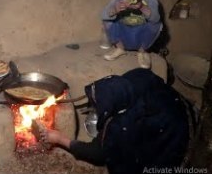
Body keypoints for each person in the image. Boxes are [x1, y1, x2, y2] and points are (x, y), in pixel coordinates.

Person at [39, 68, 193, 174]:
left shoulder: (121, 127)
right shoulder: (136, 78)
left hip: (174, 136)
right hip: (179, 109)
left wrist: (59, 138)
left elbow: (97, 153)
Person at [101, 0, 162, 69]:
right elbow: (103, 15)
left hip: (141, 37)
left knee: (157, 25)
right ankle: (120, 49)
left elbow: (156, 19)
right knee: (107, 20)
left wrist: (142, 7)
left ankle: (143, 52)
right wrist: (115, 10)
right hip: (124, 36)